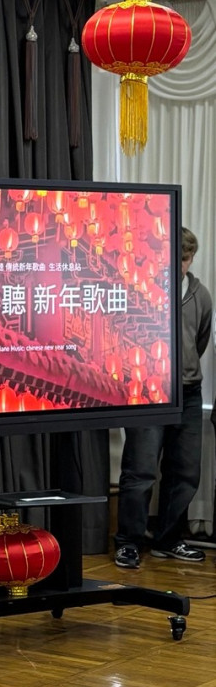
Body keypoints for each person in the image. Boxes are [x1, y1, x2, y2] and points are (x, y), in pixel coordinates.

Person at [115, 226, 212, 569]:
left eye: (186, 259)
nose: (181, 265)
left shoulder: (200, 295)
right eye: (176, 259)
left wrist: (184, 369)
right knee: (140, 470)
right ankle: (128, 541)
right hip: (147, 390)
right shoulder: (140, 289)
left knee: (185, 471)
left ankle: (168, 540)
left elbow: (200, 341)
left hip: (188, 391)